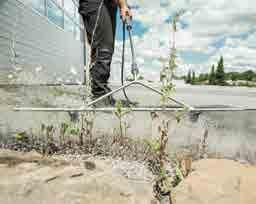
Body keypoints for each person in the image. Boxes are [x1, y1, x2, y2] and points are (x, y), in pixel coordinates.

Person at [79, 0, 132, 105]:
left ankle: (100, 93)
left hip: (109, 4)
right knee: (103, 48)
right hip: (98, 2)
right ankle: (99, 96)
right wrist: (123, 5)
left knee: (105, 48)